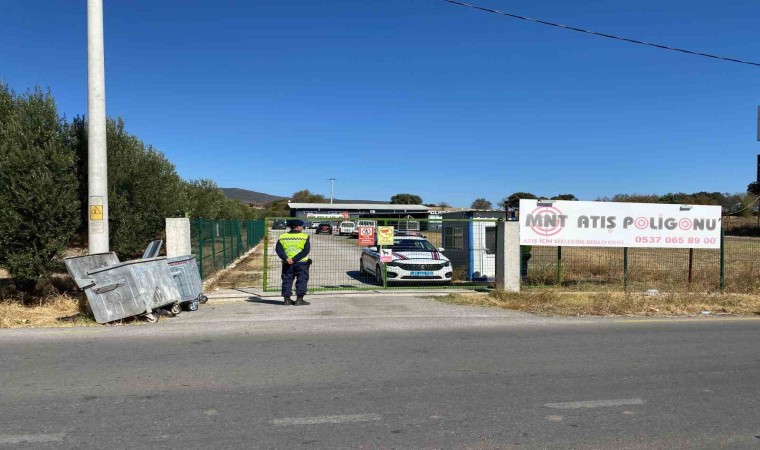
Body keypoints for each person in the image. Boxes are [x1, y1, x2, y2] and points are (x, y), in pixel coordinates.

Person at [275, 219, 311, 305]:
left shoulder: (282, 236)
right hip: (301, 263)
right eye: (302, 226)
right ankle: (299, 299)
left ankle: (287, 299)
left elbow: (278, 249)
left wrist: (286, 258)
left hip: (287, 263)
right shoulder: (304, 236)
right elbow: (306, 251)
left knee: (287, 279)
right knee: (302, 279)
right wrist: (294, 259)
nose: (303, 227)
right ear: (298, 227)